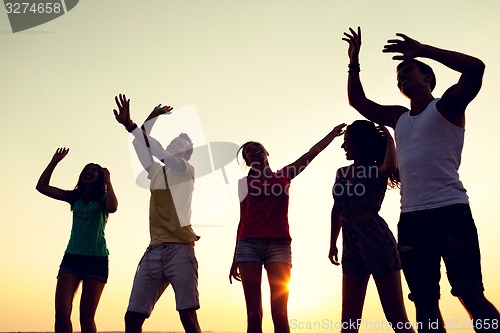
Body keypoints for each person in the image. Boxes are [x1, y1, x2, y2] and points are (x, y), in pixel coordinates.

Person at [342, 26, 500, 332]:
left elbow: (476, 67)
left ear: (428, 78)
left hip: (451, 212)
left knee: (469, 294)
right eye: (398, 74)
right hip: (412, 220)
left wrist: (424, 50)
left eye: (409, 70)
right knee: (425, 302)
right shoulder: (399, 117)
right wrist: (354, 60)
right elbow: (357, 101)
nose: (402, 76)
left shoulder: (448, 106)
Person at [229, 123, 346, 333]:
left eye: (257, 146)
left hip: (279, 245)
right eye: (248, 150)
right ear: (247, 161)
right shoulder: (243, 184)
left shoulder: (284, 175)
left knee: (280, 315)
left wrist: (332, 134)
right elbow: (242, 220)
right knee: (254, 314)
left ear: (266, 152)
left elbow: (313, 153)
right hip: (249, 245)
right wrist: (234, 257)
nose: (253, 149)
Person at [113, 93, 201, 333]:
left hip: (180, 250)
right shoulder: (156, 172)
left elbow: (157, 149)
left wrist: (133, 125)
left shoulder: (185, 169)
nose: (174, 146)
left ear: (188, 153)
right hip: (155, 249)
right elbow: (141, 144)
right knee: (132, 317)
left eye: (180, 145)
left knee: (187, 316)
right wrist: (150, 118)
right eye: (173, 142)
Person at [329, 120, 414, 333]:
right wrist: (332, 243)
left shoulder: (374, 170)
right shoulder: (341, 173)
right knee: (349, 321)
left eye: (347, 141)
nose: (343, 146)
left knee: (396, 316)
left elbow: (390, 166)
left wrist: (388, 136)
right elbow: (336, 209)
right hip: (350, 244)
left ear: (360, 143)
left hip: (376, 240)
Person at [36, 148, 118, 333]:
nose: (89, 172)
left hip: (96, 260)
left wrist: (108, 180)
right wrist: (54, 161)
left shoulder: (103, 199)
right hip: (72, 258)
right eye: (86, 170)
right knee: (61, 313)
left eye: (93, 170)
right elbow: (42, 187)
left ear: (100, 177)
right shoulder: (74, 198)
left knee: (86, 318)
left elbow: (113, 207)